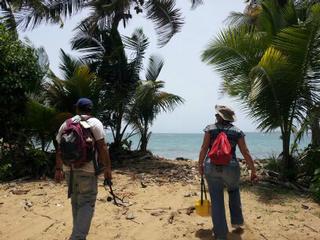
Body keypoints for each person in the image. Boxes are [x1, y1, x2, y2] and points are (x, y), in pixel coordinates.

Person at [55, 98, 112, 240]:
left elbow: (58, 149)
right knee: (87, 201)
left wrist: (58, 169)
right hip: (88, 169)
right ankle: (78, 237)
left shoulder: (66, 124)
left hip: (69, 169)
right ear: (90, 109)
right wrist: (107, 170)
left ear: (77, 109)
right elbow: (102, 148)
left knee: (75, 201)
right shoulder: (95, 123)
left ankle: (78, 234)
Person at [198, 105, 257, 240]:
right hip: (231, 167)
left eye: (216, 115)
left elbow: (204, 148)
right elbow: (245, 152)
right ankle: (236, 221)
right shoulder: (237, 132)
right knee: (234, 190)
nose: (215, 116)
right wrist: (253, 171)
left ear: (219, 117)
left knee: (217, 199)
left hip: (211, 166)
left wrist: (200, 164)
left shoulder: (209, 129)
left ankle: (220, 234)